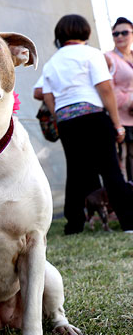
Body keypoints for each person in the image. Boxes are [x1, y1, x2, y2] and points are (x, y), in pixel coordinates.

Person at [41, 14, 133, 234]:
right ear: (85, 32)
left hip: (66, 120)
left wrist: (60, 116)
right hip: (93, 115)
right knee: (111, 169)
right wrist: (117, 124)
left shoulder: (52, 62)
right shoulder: (91, 54)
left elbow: (46, 95)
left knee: (75, 173)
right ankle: (129, 223)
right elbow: (105, 88)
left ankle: (73, 225)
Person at [104, 17, 133, 181]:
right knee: (123, 159)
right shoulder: (108, 58)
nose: (119, 36)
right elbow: (108, 89)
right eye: (115, 34)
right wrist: (129, 100)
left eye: (124, 32)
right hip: (120, 119)